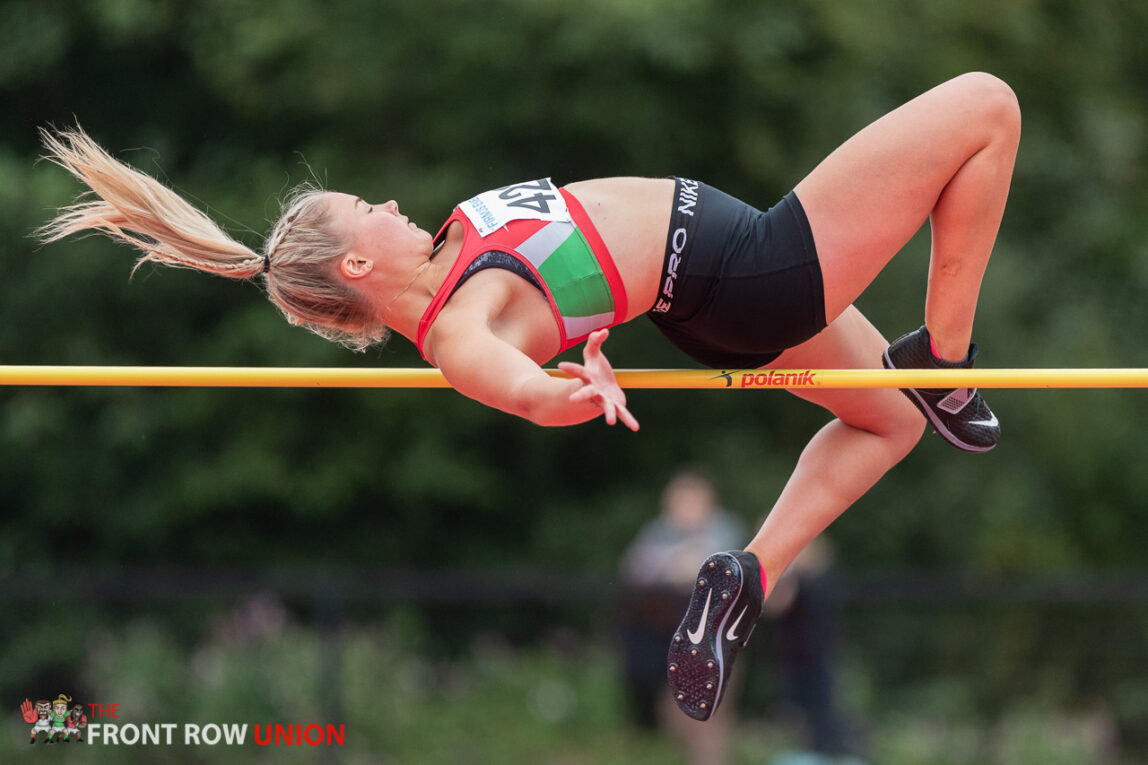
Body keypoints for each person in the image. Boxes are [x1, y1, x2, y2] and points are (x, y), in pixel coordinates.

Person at [37, 72, 1021, 723]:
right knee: (984, 106)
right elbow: (517, 389)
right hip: (750, 268)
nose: (385, 204)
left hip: (711, 300)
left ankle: (743, 578)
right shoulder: (459, 331)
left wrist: (572, 374)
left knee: (886, 423)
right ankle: (942, 354)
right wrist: (571, 393)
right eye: (365, 212)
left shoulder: (455, 255)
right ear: (354, 260)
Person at [618, 469, 746, 763]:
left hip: (716, 645)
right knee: (674, 717)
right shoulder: (657, 531)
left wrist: (683, 565)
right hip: (669, 643)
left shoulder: (726, 530)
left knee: (709, 721)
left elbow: (725, 570)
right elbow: (634, 570)